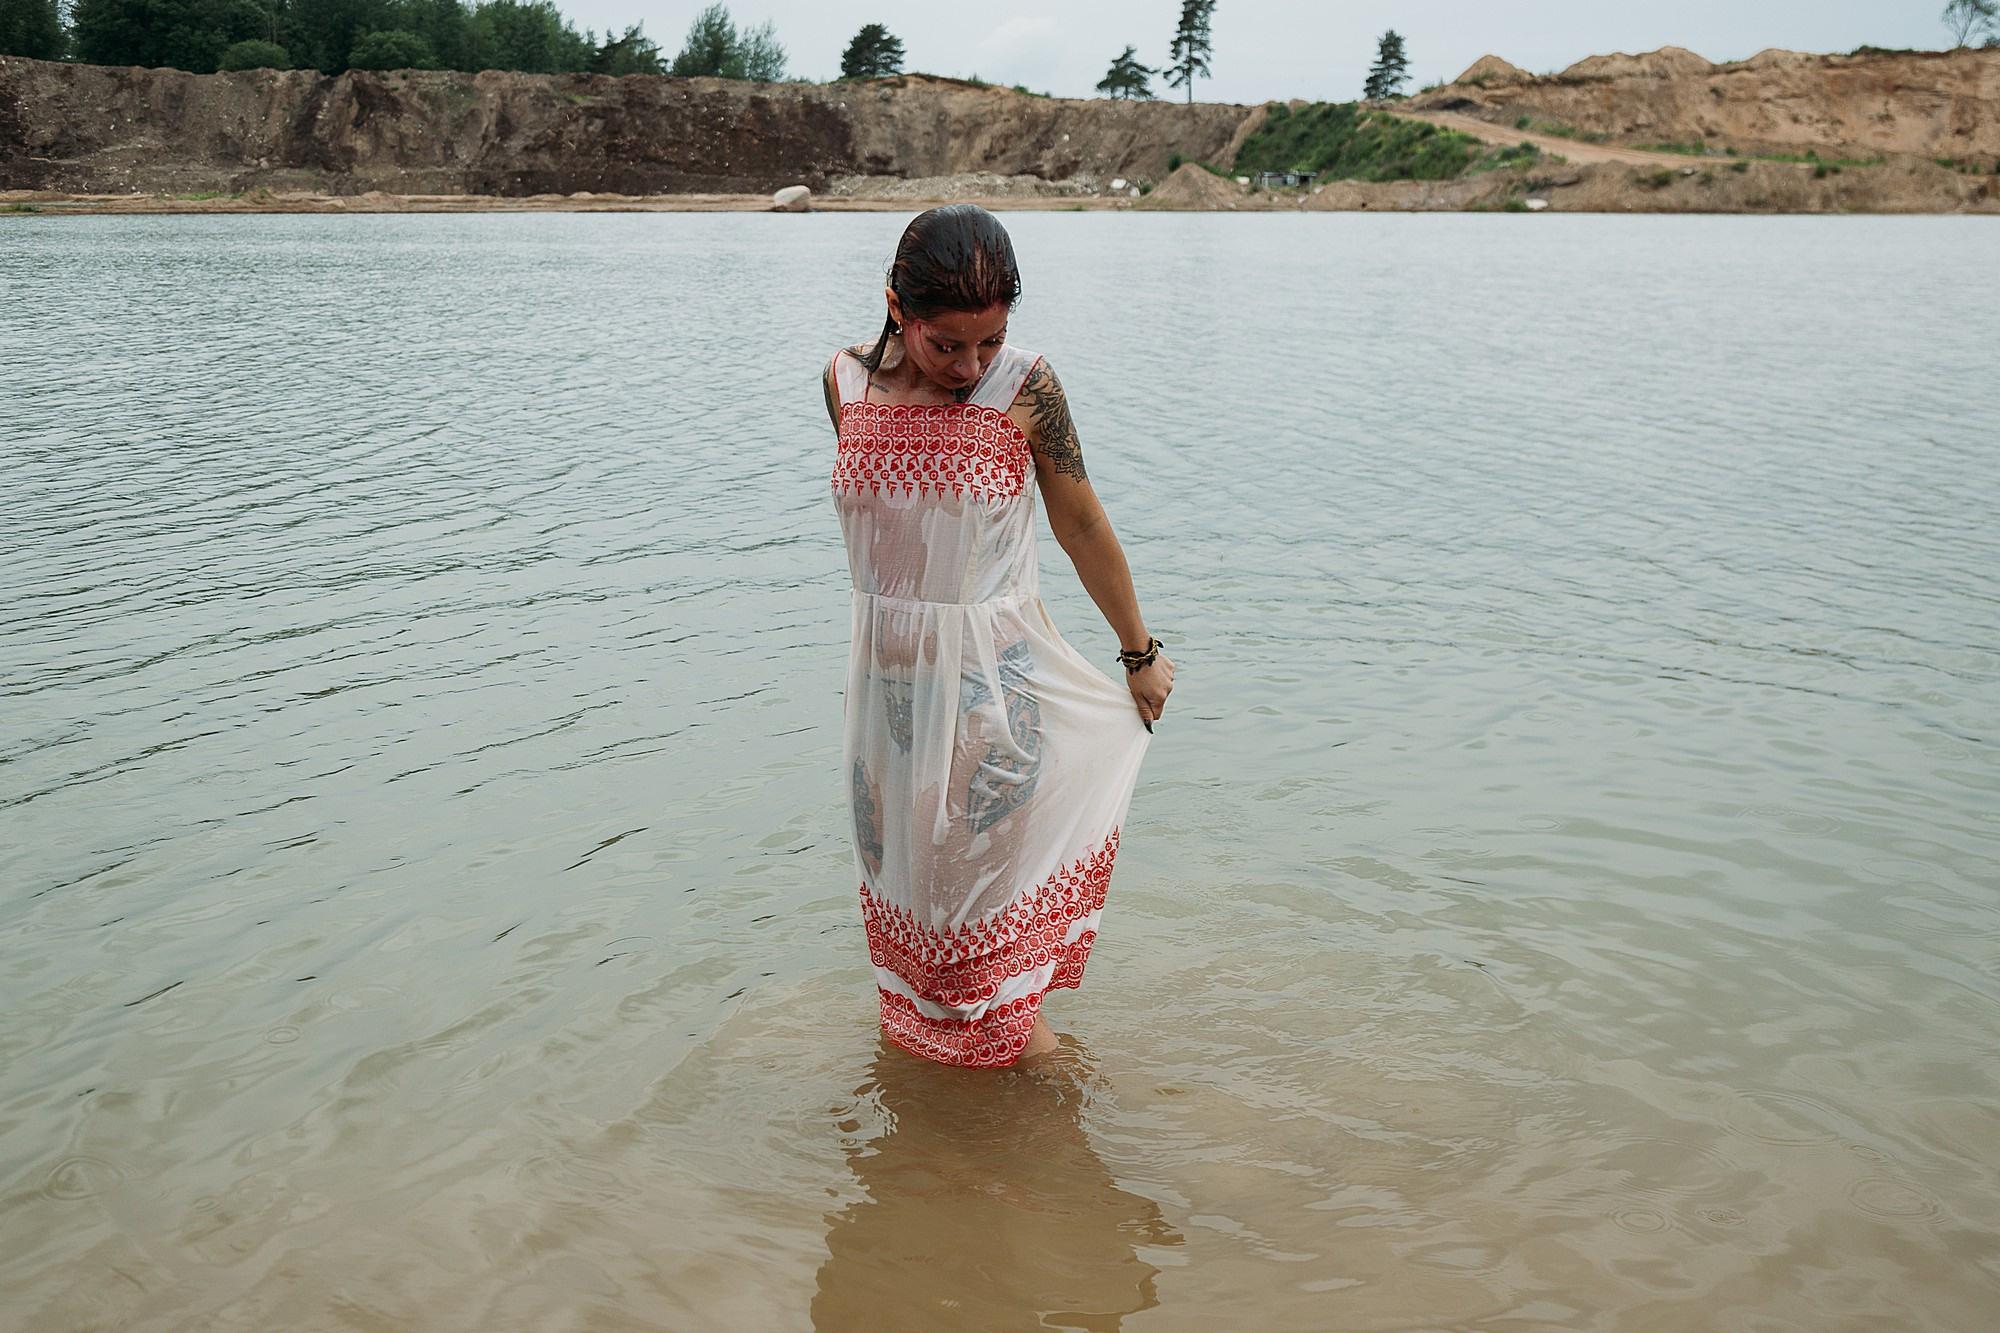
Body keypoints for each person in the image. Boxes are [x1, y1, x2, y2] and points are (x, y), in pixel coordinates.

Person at [824, 204, 1173, 1068]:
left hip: (993, 705)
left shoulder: (1026, 389)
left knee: (974, 947)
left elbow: (1081, 522)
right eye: (947, 344)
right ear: (897, 308)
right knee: (915, 944)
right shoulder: (842, 383)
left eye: (990, 340)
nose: (969, 365)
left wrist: (1139, 651)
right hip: (883, 710)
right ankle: (962, 1143)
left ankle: (1060, 1118)